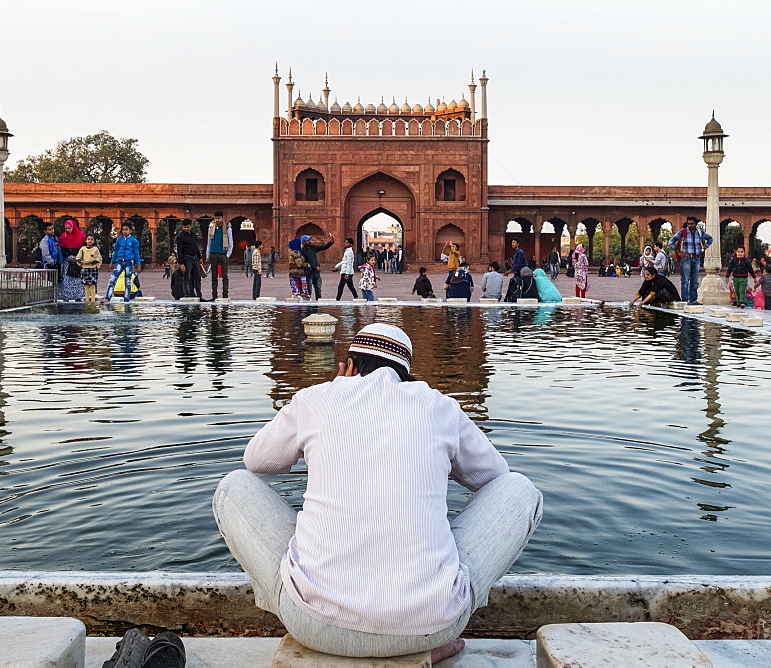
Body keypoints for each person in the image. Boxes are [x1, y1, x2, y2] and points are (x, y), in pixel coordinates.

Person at [213, 323, 542, 660]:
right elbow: (496, 478)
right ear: (406, 373)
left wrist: (329, 397)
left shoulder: (317, 398)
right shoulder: (437, 405)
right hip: (433, 624)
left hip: (312, 624)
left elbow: (256, 461)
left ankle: (299, 597)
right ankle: (422, 641)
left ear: (349, 366)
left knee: (234, 486)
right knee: (520, 489)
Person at [668, 217, 713, 305]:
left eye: (692, 224)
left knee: (695, 280)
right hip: (686, 258)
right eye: (688, 224)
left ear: (696, 224)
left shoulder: (699, 232)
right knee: (685, 280)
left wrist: (703, 248)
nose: (690, 225)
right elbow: (671, 242)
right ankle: (685, 300)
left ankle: (693, 299)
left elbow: (710, 239)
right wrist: (679, 251)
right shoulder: (683, 232)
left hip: (696, 258)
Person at [105, 222, 142, 302]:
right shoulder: (119, 240)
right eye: (123, 230)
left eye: (126, 230)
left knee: (128, 281)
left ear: (130, 231)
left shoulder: (134, 241)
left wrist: (138, 264)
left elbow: (136, 253)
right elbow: (115, 251)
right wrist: (112, 262)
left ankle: (126, 298)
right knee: (113, 279)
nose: (124, 231)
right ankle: (108, 297)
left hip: (129, 262)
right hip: (119, 261)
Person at [206, 211, 233, 300]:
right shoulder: (211, 228)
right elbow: (209, 243)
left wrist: (228, 254)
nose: (217, 220)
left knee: (225, 276)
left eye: (219, 218)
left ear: (222, 218)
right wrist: (207, 255)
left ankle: (225, 294)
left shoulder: (228, 229)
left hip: (223, 254)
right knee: (214, 276)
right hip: (213, 253)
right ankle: (214, 295)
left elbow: (231, 243)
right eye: (216, 218)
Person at [175, 218, 204, 300]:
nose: (186, 229)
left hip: (194, 258)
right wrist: (181, 263)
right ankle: (187, 296)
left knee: (197, 278)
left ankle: (199, 295)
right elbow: (179, 250)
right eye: (184, 227)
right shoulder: (180, 237)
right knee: (187, 278)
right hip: (186, 259)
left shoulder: (193, 234)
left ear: (191, 226)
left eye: (187, 227)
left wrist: (200, 257)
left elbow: (196, 246)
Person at [57, 219, 86, 301]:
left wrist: (77, 257)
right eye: (66, 228)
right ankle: (65, 297)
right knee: (66, 281)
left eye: (69, 228)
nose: (67, 230)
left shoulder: (81, 236)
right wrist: (69, 257)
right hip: (67, 263)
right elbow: (62, 249)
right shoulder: (63, 237)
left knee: (77, 281)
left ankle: (78, 298)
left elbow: (84, 248)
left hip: (78, 261)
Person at [301, 233, 335, 300]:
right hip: (309, 272)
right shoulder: (302, 251)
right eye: (308, 240)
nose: (309, 241)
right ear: (304, 242)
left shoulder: (313, 247)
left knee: (318, 289)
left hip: (316, 272)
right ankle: (308, 305)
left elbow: (323, 247)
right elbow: (306, 261)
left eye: (309, 240)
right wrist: (315, 267)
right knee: (309, 290)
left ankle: (318, 305)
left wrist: (331, 242)